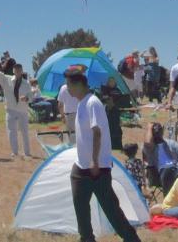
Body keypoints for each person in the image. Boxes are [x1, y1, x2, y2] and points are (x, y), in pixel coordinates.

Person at [64, 67, 141, 242]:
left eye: (69, 85)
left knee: (111, 210)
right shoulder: (81, 103)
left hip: (97, 167)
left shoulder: (93, 103)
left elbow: (97, 132)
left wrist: (94, 161)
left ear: (78, 84)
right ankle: (86, 238)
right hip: (81, 167)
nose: (67, 89)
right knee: (80, 207)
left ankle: (132, 239)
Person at [0, 53, 32, 158]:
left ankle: (27, 152)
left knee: (25, 132)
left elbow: (31, 96)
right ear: (13, 71)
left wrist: (27, 98)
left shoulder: (27, 83)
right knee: (12, 132)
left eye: (19, 70)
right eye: (15, 70)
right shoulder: (6, 79)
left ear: (21, 71)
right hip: (10, 109)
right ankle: (15, 152)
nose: (17, 72)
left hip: (22, 110)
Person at [143, 121, 178, 193]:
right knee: (169, 173)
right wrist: (149, 127)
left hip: (177, 170)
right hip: (160, 174)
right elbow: (148, 143)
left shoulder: (171, 143)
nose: (157, 132)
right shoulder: (151, 148)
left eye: (159, 130)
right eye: (155, 131)